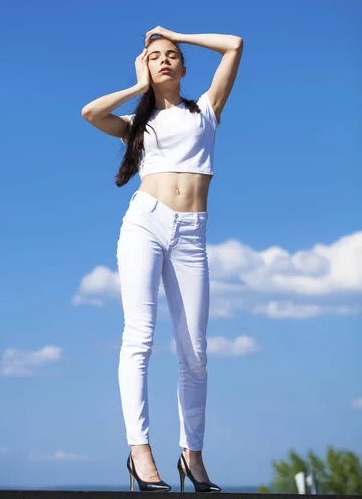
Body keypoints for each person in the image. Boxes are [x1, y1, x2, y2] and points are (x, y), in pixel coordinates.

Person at [81, 26, 243, 492]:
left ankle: (192, 457)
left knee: (195, 352)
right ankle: (140, 451)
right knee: (140, 338)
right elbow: (91, 112)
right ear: (145, 67)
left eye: (172, 56)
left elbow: (234, 45)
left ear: (185, 66)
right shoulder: (137, 123)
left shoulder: (207, 109)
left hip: (192, 233)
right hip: (145, 224)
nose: (166, 59)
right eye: (156, 56)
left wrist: (175, 34)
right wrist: (139, 86)